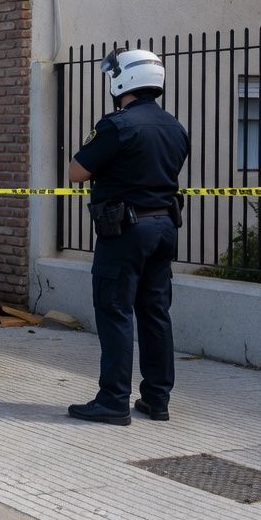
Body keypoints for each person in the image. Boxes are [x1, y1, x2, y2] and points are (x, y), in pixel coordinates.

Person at [67, 47, 188, 425]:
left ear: (124, 80)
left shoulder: (117, 125)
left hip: (126, 231)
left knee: (115, 309)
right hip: (164, 227)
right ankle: (156, 399)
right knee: (155, 313)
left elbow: (77, 172)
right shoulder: (175, 127)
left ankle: (113, 400)